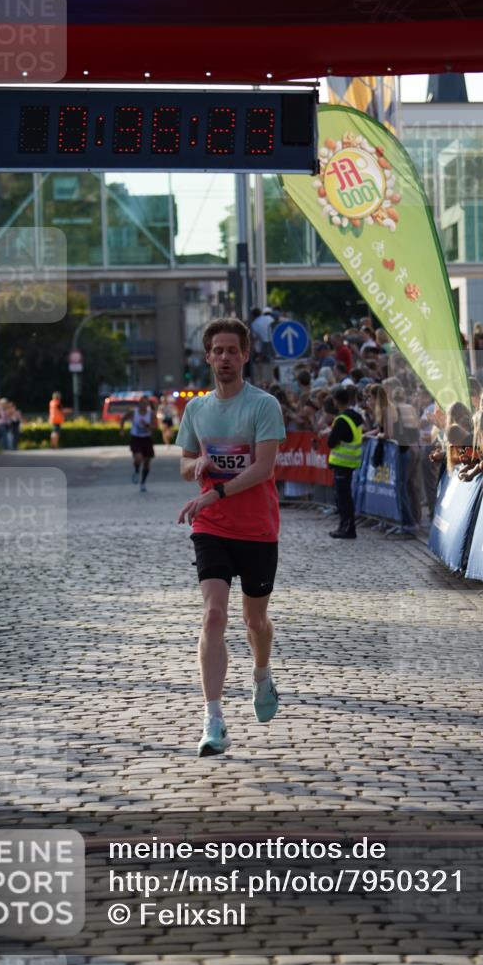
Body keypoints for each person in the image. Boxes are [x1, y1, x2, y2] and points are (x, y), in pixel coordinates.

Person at [176, 317, 285, 757]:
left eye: (232, 351)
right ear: (207, 356)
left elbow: (264, 467)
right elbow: (183, 463)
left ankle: (261, 673)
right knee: (213, 616)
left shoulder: (263, 406)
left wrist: (216, 490)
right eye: (217, 351)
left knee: (254, 621)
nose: (224, 358)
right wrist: (197, 468)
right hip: (212, 526)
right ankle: (214, 720)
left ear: (245, 355)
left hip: (258, 528)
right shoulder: (196, 410)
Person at [326, 386, 363, 539]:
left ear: (336, 401)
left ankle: (347, 528)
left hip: (342, 463)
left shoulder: (341, 420)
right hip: (351, 462)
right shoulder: (356, 416)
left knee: (343, 498)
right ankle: (345, 526)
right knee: (345, 497)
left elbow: (331, 442)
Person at [122, 397, 157, 490]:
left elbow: (155, 427)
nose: (144, 406)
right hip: (136, 438)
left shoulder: (151, 414)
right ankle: (137, 471)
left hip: (147, 439)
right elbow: (123, 418)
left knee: (146, 463)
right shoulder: (134, 412)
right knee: (138, 458)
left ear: (148, 405)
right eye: (142, 403)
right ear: (139, 404)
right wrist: (121, 430)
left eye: (146, 404)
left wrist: (147, 425)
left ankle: (143, 482)